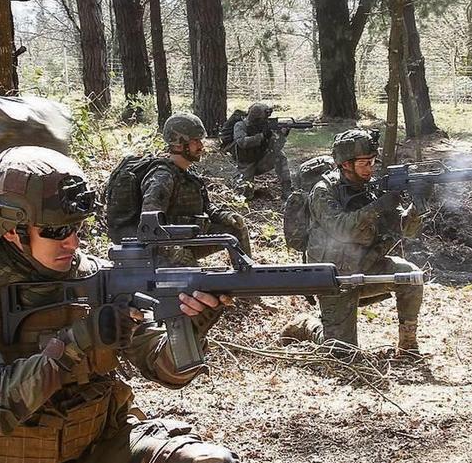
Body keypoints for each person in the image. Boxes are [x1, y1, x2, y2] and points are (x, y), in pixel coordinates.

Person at [0, 146, 242, 463]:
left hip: (95, 451)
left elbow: (166, 371)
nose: (73, 242)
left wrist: (191, 326)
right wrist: (79, 339)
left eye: (76, 228)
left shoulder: (94, 277)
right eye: (56, 231)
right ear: (12, 230)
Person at [281, 129, 424, 353]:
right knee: (342, 352)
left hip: (366, 267)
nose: (371, 167)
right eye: (365, 163)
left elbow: (405, 230)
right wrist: (380, 206)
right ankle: (307, 326)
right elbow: (342, 229)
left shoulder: (371, 188)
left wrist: (416, 209)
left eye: (373, 161)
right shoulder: (323, 191)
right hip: (334, 279)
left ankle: (408, 345)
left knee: (411, 276)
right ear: (346, 164)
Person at [141, 113, 251, 266]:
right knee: (199, 284)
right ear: (178, 144)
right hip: (164, 251)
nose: (201, 146)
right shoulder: (162, 178)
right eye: (195, 141)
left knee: (236, 229)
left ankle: (247, 278)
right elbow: (150, 227)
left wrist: (225, 216)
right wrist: (175, 252)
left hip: (190, 239)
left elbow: (206, 207)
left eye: (200, 140)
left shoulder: (188, 174)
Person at [231, 102, 293, 200]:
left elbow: (276, 148)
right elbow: (242, 142)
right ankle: (237, 178)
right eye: (263, 118)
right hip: (246, 165)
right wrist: (262, 136)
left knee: (280, 156)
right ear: (256, 118)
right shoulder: (240, 125)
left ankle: (287, 189)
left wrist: (282, 135)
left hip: (261, 161)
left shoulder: (265, 127)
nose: (265, 120)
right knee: (244, 196)